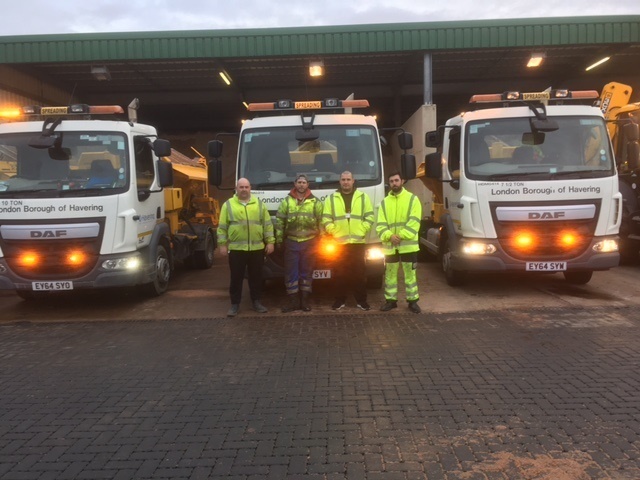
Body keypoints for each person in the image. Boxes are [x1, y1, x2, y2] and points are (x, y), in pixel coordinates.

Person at [217, 178, 275, 317]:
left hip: (256, 249)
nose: (244, 189)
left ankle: (256, 302)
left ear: (250, 188)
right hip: (237, 250)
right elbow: (222, 227)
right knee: (236, 278)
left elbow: (267, 225)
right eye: (241, 187)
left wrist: (270, 242)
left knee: (256, 278)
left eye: (246, 187)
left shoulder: (259, 205)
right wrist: (222, 245)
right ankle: (234, 305)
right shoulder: (228, 205)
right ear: (236, 188)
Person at [322, 170, 374, 310]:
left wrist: (361, 230)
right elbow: (326, 219)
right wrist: (335, 232)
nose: (346, 182)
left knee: (359, 274)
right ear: (340, 181)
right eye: (343, 179)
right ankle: (340, 300)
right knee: (339, 273)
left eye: (348, 179)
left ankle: (361, 301)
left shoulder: (363, 197)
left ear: (353, 181)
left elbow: (369, 217)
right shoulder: (331, 198)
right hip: (339, 243)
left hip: (357, 243)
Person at [275, 174, 324, 312]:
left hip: (310, 242)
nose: (301, 184)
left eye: (304, 182)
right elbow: (279, 222)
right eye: (299, 182)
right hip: (291, 241)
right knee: (291, 273)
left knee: (306, 273)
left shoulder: (316, 202)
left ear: (308, 184)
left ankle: (305, 302)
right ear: (295, 184)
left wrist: (322, 241)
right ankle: (293, 302)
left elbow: (322, 222)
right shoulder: (286, 202)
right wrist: (279, 241)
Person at [376, 172, 422, 314]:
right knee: (390, 275)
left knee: (410, 275)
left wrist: (399, 236)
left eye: (396, 180)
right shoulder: (384, 202)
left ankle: (413, 302)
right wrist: (390, 236)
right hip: (391, 247)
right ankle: (391, 301)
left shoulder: (412, 199)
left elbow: (414, 222)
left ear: (402, 181)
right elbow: (380, 225)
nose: (394, 183)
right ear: (389, 183)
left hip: (408, 246)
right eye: (391, 181)